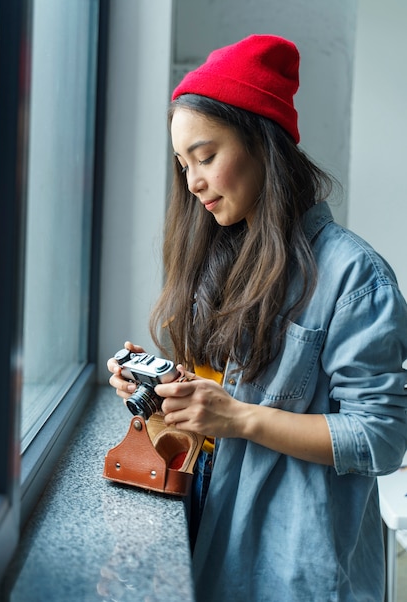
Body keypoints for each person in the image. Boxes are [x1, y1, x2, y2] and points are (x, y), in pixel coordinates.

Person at [108, 34, 407, 601]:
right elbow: (228, 398)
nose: (192, 182)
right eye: (182, 164)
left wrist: (239, 418)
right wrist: (164, 388)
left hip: (296, 569)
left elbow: (380, 438)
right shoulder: (224, 257)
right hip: (211, 539)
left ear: (263, 145)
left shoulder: (355, 276)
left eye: (206, 156)